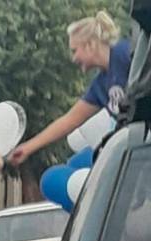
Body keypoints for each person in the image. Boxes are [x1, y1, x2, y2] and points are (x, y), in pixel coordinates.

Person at [9, 10, 131, 166]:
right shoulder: (100, 86)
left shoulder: (125, 53)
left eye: (75, 50)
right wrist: (27, 148)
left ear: (90, 44)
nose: (74, 58)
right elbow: (69, 121)